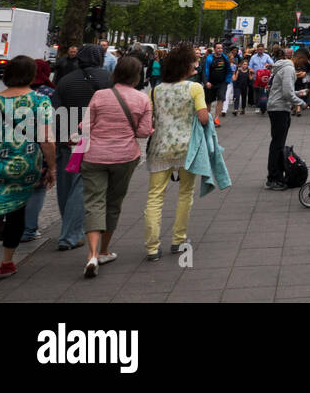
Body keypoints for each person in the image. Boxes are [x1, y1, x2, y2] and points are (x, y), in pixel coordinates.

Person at [0, 56, 57, 293]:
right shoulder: (40, 100)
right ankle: (7, 261)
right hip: (25, 167)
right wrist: (52, 167)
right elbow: (47, 139)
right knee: (18, 211)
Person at [79, 55, 152, 278]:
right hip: (124, 157)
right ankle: (104, 250)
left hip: (94, 156)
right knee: (114, 202)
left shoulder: (100, 95)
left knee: (94, 202)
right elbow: (142, 132)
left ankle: (91, 254)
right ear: (137, 76)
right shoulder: (142, 99)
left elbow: (85, 126)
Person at [144, 43, 210, 261]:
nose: (196, 64)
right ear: (186, 65)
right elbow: (203, 117)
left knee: (155, 196)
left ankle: (152, 247)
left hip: (160, 147)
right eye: (194, 60)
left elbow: (150, 120)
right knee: (185, 193)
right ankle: (178, 238)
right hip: (187, 148)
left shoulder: (156, 90)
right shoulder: (194, 88)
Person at [53, 44, 111, 251]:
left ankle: (68, 226)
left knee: (65, 182)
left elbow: (56, 106)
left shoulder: (66, 79)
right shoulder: (105, 78)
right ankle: (70, 234)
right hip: (89, 135)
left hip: (65, 133)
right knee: (81, 185)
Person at [20, 59, 58, 242]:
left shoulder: (8, 95)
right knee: (37, 190)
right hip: (36, 152)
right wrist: (53, 165)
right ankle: (29, 229)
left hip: (10, 151)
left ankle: (9, 225)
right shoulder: (48, 94)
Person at [265, 49, 307, 190]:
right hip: (279, 109)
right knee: (277, 144)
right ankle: (273, 177)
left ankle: (275, 175)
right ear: (299, 57)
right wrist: (301, 102)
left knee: (277, 143)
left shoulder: (283, 67)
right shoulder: (289, 69)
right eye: (303, 61)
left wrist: (298, 93)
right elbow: (287, 93)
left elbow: (282, 90)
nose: (303, 65)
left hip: (277, 107)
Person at [202, 43, 231, 127]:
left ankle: (216, 118)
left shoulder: (224, 58)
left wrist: (227, 80)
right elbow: (204, 71)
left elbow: (228, 69)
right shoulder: (209, 58)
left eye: (221, 48)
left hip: (222, 83)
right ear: (214, 49)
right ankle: (207, 118)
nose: (220, 50)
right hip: (210, 83)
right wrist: (206, 82)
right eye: (218, 48)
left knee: (221, 99)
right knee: (208, 101)